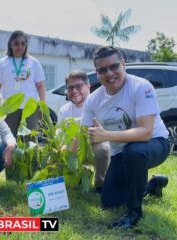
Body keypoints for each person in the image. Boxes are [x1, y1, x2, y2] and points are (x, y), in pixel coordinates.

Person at [81, 46, 170, 228]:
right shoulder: (93, 99)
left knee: (134, 151)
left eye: (114, 67)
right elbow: (81, 134)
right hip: (121, 152)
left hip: (155, 144)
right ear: (97, 73)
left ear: (123, 64)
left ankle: (134, 212)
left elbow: (145, 132)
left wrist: (106, 135)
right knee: (110, 202)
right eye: (103, 70)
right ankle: (152, 185)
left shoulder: (141, 87)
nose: (109, 73)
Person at [58, 70, 110, 193]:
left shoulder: (99, 104)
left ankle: (100, 185)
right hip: (73, 147)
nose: (74, 91)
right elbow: (59, 134)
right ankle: (67, 181)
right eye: (70, 87)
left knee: (102, 150)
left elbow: (99, 133)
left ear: (88, 86)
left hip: (95, 143)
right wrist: (61, 147)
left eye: (78, 86)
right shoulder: (64, 110)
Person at [0, 30, 46, 137]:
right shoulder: (2, 63)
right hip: (10, 108)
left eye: (23, 43)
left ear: (26, 45)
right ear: (10, 45)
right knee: (9, 140)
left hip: (30, 108)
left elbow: (40, 86)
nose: (20, 46)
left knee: (29, 140)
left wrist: (43, 107)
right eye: (16, 43)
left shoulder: (34, 62)